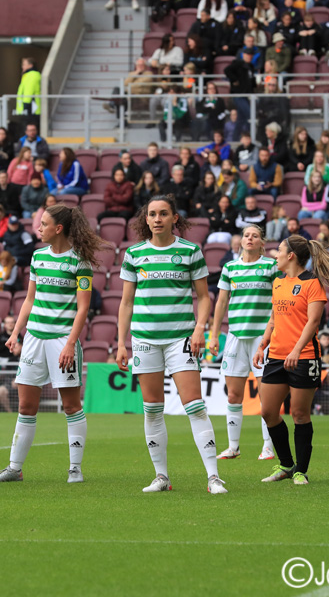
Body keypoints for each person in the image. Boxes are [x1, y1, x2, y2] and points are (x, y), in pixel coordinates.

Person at [0, 204, 107, 484]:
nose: (38, 228)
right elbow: (29, 299)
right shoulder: (38, 257)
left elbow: (82, 309)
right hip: (33, 340)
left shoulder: (80, 262)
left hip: (61, 341)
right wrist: (17, 332)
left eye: (43, 224)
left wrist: (69, 344)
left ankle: (75, 468)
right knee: (26, 406)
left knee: (71, 406)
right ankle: (14, 468)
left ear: (58, 228)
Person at [116, 196, 227, 494]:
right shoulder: (135, 253)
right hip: (144, 340)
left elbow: (205, 297)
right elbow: (126, 302)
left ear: (174, 218)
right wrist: (121, 343)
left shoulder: (190, 251)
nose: (157, 219)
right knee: (152, 409)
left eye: (163, 214)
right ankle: (161, 477)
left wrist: (200, 329)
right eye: (152, 214)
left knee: (195, 406)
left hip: (181, 339)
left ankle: (214, 477)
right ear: (146, 219)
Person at [254, 234, 329, 485]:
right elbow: (274, 318)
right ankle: (286, 465)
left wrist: (297, 350)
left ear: (290, 256)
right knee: (268, 412)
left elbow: (313, 322)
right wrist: (262, 344)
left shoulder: (312, 284)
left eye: (278, 250)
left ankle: (301, 470)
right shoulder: (277, 282)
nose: (273, 254)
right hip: (276, 356)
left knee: (299, 413)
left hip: (304, 357)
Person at [209, 224, 278, 461]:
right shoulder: (230, 268)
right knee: (233, 395)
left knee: (266, 397)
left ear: (262, 243)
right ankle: (233, 447)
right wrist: (213, 333)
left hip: (262, 338)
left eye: (255, 236)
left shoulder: (271, 266)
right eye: (247, 235)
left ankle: (268, 446)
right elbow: (221, 302)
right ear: (240, 242)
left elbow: (279, 300)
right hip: (235, 337)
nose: (250, 239)